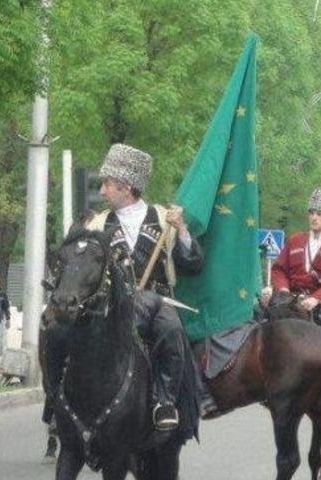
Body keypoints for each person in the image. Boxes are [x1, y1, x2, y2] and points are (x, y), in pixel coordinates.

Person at [76, 143, 204, 431]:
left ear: (127, 186)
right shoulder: (98, 224)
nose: (103, 191)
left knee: (172, 331)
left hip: (158, 302)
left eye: (108, 184)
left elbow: (193, 263)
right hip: (112, 305)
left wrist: (181, 229)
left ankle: (165, 400)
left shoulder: (163, 219)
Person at [271, 189, 321, 330]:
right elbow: (279, 269)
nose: (314, 218)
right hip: (290, 298)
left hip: (319, 304)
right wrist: (283, 289)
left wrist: (317, 298)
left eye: (319, 214)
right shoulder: (295, 240)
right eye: (311, 213)